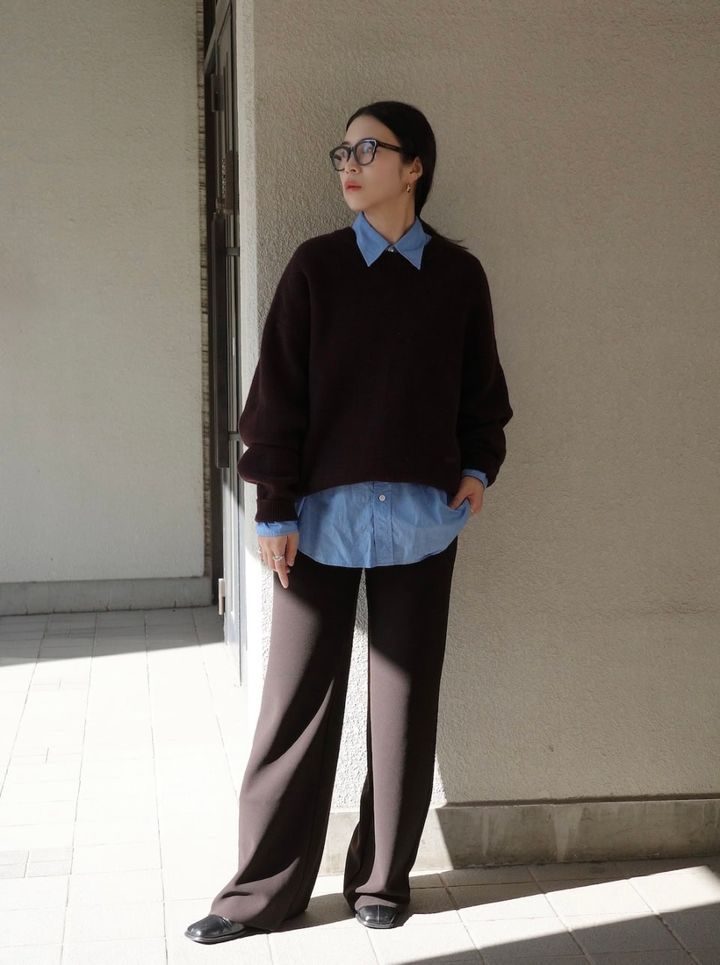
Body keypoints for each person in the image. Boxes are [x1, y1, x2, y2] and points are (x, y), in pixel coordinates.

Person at [185, 99, 513, 944]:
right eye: (344, 151)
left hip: (422, 522)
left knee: (404, 705)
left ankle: (382, 879)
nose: (350, 164)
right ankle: (259, 893)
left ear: (415, 166)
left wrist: (477, 470)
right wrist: (273, 505)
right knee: (295, 704)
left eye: (369, 149)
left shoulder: (457, 276)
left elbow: (483, 393)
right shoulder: (316, 268)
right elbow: (276, 396)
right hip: (316, 523)